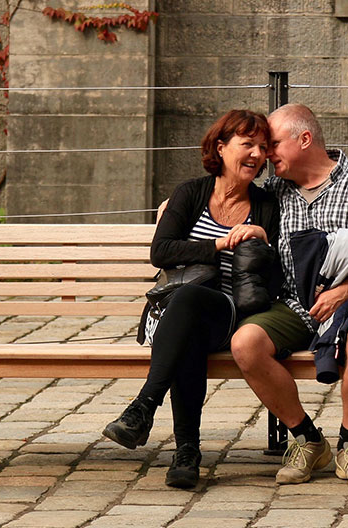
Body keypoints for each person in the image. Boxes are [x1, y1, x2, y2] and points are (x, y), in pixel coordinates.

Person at [101, 109, 280, 489]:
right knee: (187, 322)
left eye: (263, 147)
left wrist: (262, 240)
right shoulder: (190, 192)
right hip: (174, 316)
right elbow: (161, 252)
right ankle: (187, 456)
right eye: (247, 144)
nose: (257, 154)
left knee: (190, 304)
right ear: (221, 146)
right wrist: (217, 244)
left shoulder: (266, 205)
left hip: (230, 312)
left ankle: (144, 408)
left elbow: (278, 275)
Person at [231, 103, 348, 489]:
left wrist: (344, 290)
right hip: (294, 303)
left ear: (304, 139)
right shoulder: (275, 189)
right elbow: (223, 192)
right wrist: (177, 204)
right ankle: (308, 440)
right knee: (246, 343)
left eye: (272, 143)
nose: (265, 153)